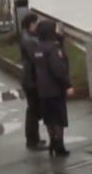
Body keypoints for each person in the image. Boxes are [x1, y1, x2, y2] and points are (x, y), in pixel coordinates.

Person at [32, 20, 74, 157]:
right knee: (58, 118)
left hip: (42, 89)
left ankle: (52, 142)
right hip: (55, 89)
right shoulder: (54, 48)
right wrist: (67, 85)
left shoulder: (37, 48)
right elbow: (58, 69)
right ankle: (59, 145)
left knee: (49, 118)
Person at [18, 13, 45, 151]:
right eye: (37, 23)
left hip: (29, 78)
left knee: (33, 109)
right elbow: (38, 60)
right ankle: (32, 141)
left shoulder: (27, 37)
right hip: (32, 80)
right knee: (34, 110)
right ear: (32, 24)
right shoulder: (31, 41)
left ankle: (34, 138)